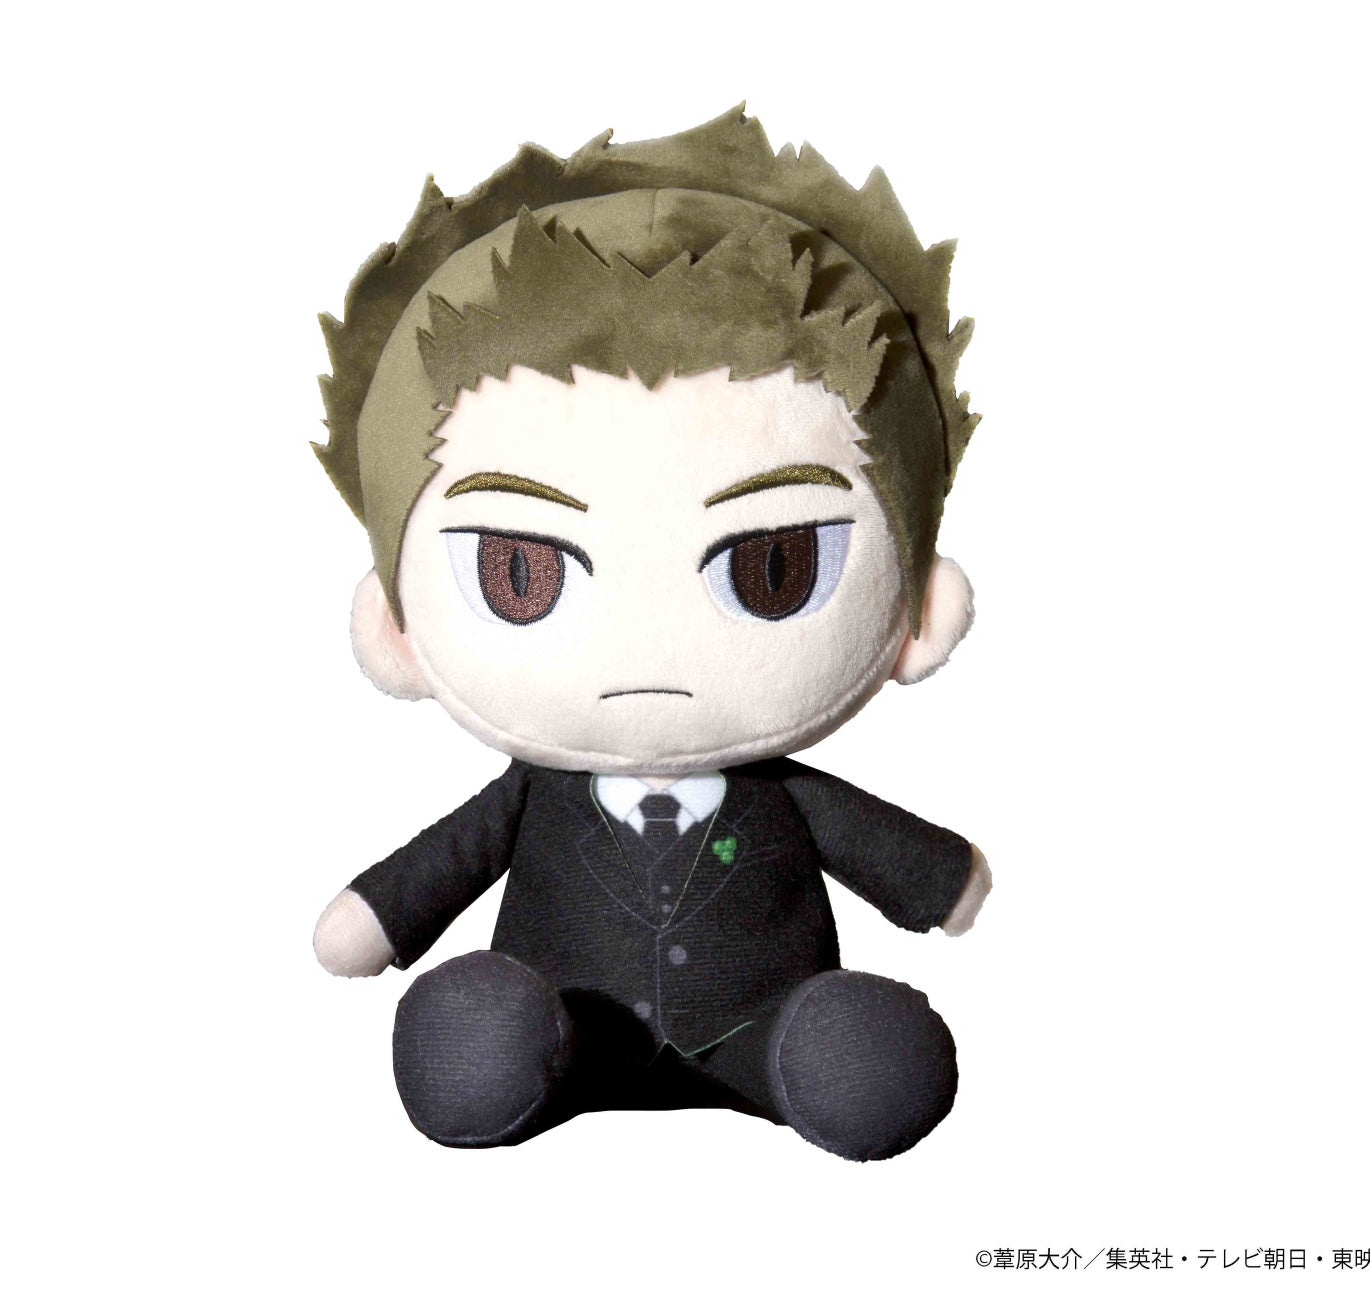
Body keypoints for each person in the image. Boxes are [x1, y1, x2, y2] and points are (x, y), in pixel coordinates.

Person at [307, 108, 993, 1160]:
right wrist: (372, 920)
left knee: (855, 1056)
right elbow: (433, 870)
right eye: (522, 573)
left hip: (765, 1034)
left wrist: (949, 884)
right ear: (393, 632)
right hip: (562, 1038)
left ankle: (834, 1061)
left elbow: (927, 872)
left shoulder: (790, 796)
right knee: (482, 1038)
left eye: (773, 567)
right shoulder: (527, 800)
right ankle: (494, 1053)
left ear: (919, 619)